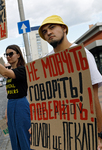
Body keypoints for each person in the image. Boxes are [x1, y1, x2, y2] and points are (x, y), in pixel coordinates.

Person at [38, 15, 102, 150]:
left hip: (82, 130)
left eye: (52, 27)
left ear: (64, 29)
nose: (48, 32)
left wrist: (99, 134)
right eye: (44, 31)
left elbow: (93, 97)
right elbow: (45, 99)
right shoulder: (46, 61)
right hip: (58, 133)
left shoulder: (82, 54)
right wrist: (39, 126)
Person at [0, 42, 31, 150]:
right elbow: (10, 94)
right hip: (11, 105)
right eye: (6, 54)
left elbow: (4, 72)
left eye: (10, 54)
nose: (8, 57)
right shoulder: (10, 72)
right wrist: (6, 112)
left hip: (21, 105)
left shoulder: (22, 70)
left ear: (18, 55)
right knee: (13, 137)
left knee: (24, 136)